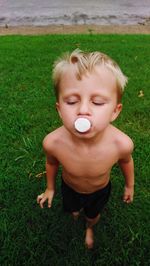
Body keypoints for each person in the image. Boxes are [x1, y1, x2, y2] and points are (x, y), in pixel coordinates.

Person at [37, 49, 134, 249]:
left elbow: (126, 161)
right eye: (71, 101)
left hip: (99, 190)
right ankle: (74, 213)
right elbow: (51, 162)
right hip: (69, 186)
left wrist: (129, 185)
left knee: (93, 213)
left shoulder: (121, 144)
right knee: (72, 208)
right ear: (59, 110)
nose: (82, 110)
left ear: (115, 111)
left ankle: (90, 227)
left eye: (97, 102)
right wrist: (50, 187)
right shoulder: (53, 142)